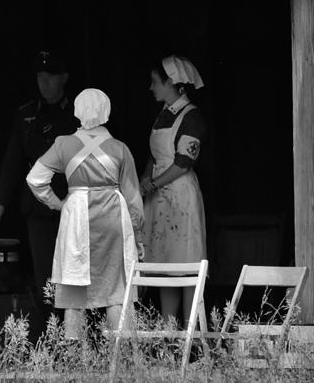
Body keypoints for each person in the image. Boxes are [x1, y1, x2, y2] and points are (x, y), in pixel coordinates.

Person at [26, 89, 145, 339]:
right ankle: (121, 360)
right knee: (116, 289)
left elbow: (35, 179)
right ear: (107, 112)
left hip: (77, 216)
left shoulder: (63, 144)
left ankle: (75, 361)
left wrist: (57, 204)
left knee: (74, 293)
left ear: (77, 112)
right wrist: (139, 235)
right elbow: (133, 198)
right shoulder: (119, 148)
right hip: (114, 217)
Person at [0, 50, 79, 330]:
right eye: (39, 77)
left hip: (71, 200)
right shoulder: (27, 114)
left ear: (64, 78)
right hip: (37, 204)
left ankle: (77, 335)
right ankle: (51, 331)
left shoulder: (77, 114)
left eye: (49, 77)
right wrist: (0, 201)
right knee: (45, 274)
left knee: (74, 271)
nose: (43, 83)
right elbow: (13, 159)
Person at [139, 55, 208, 325]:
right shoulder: (163, 115)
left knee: (186, 265)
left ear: (171, 82)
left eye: (156, 82)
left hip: (180, 196)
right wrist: (146, 175)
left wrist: (154, 183)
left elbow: (183, 163)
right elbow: (154, 154)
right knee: (166, 266)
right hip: (160, 197)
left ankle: (190, 334)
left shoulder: (192, 117)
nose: (151, 87)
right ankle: (169, 334)